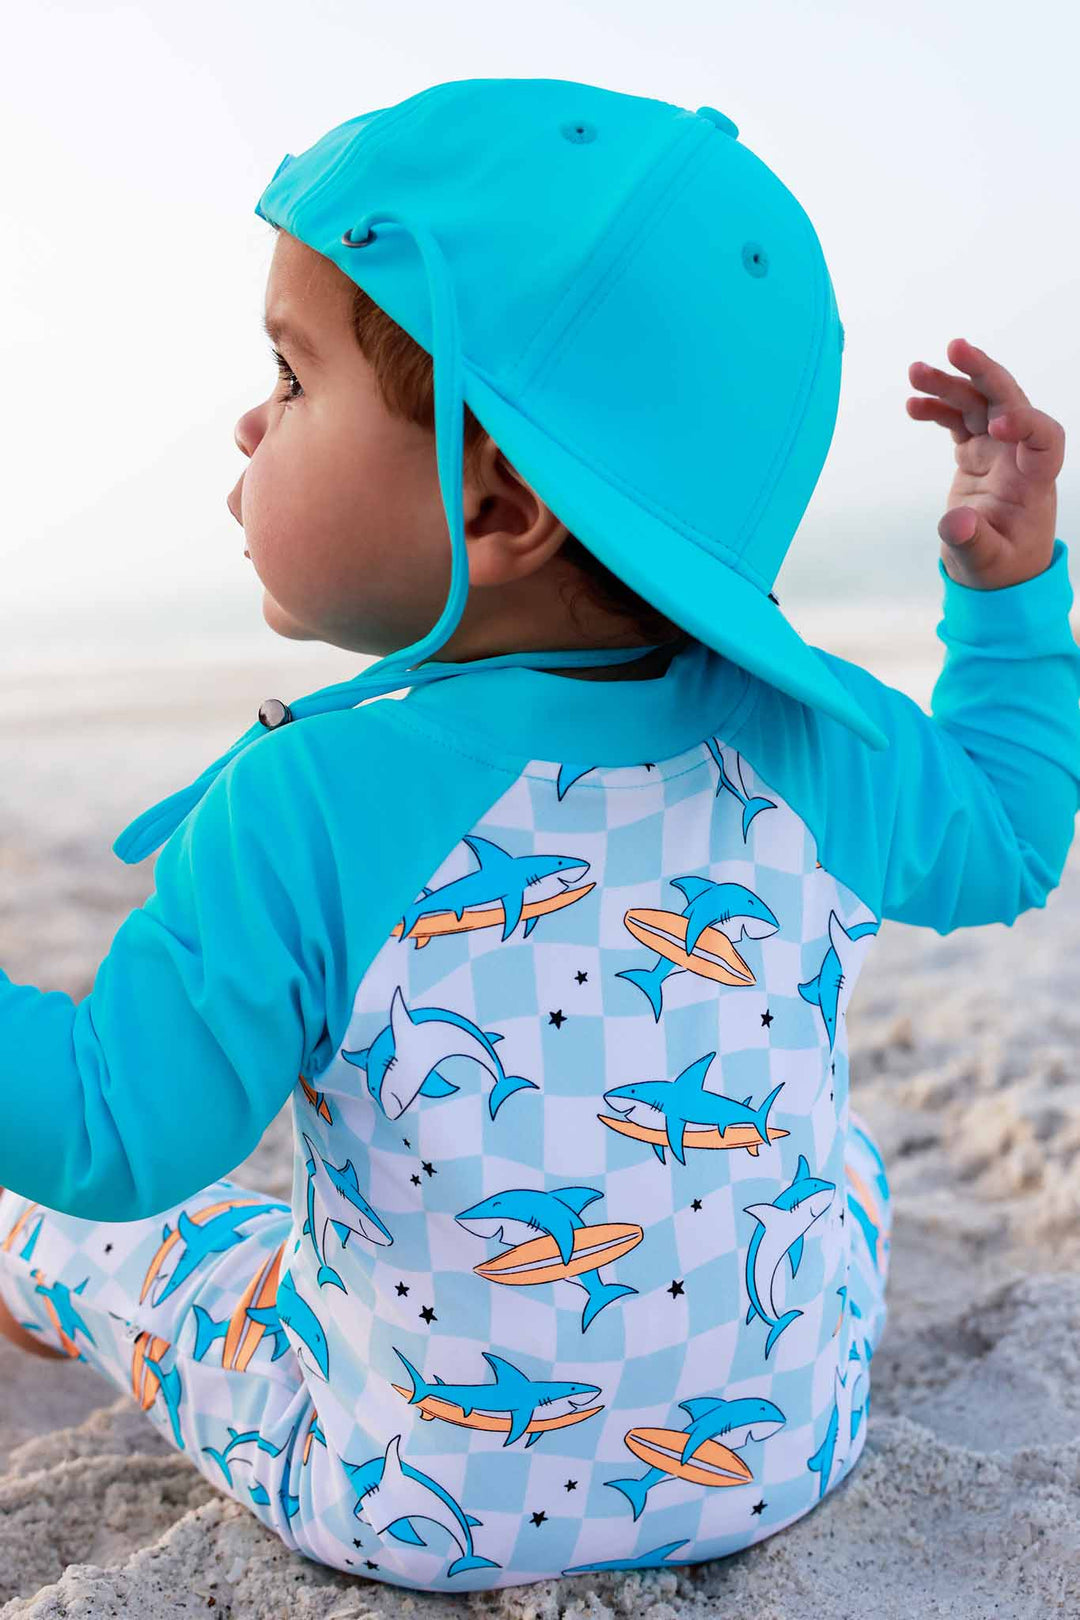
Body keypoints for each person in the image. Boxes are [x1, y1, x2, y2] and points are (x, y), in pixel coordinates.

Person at [0, 78, 1077, 1593]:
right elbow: (1014, 840)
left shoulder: (309, 803)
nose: (250, 419)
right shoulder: (824, 736)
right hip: (788, 1446)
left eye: (294, 379)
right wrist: (1014, 591)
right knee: (840, 1167)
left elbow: (117, 1133)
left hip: (397, 1503)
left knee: (92, 1232)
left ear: (499, 505)